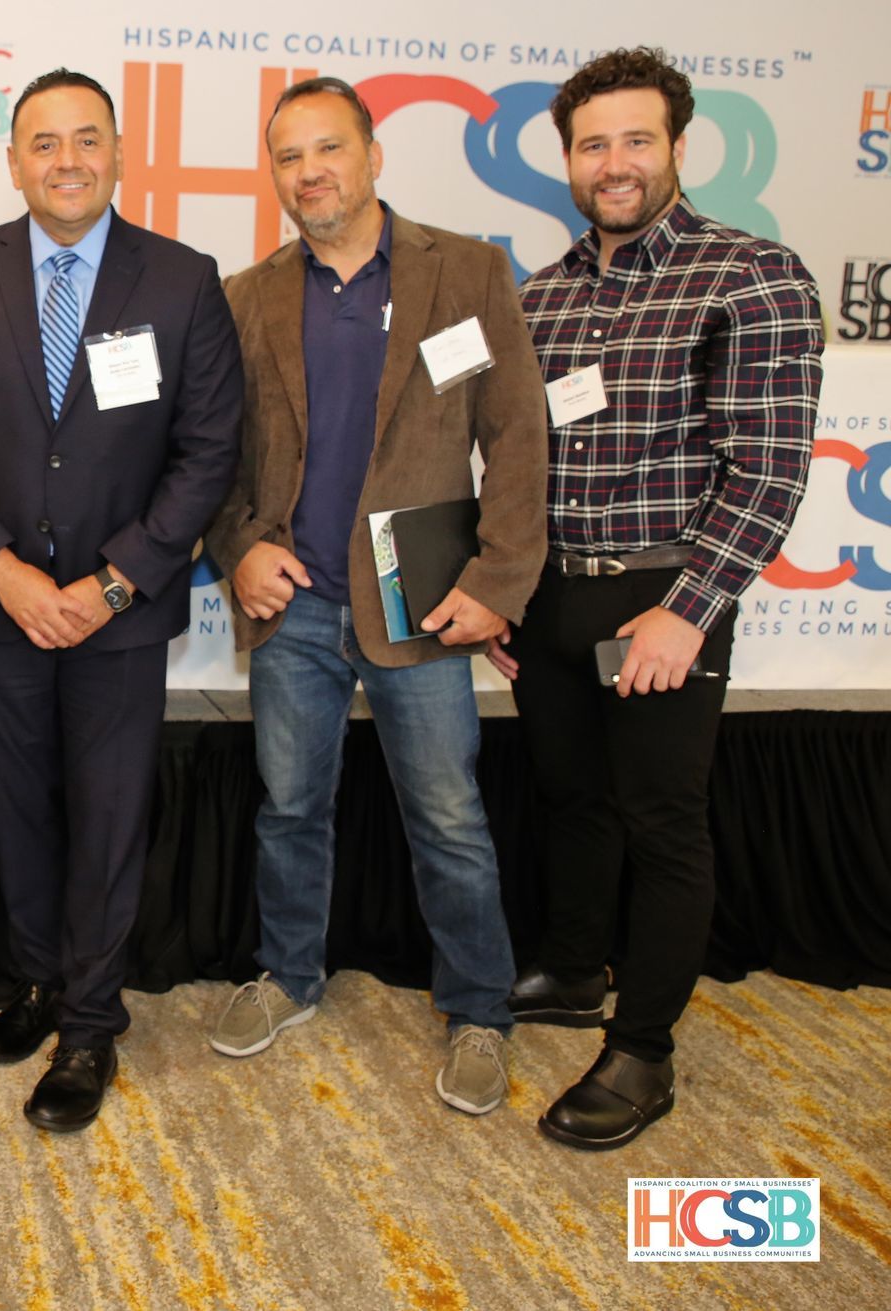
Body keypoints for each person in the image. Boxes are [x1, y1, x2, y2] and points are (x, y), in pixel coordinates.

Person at [0, 69, 242, 1132]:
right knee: (19, 807)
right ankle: (41, 984)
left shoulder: (182, 280)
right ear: (12, 162)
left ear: (121, 153)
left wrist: (110, 581)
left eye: (87, 139)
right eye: (44, 143)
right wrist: (3, 571)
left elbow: (207, 451)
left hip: (119, 615)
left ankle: (91, 1023)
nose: (67, 160)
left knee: (106, 817)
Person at [498, 47, 822, 1149]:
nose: (616, 163)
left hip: (663, 597)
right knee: (572, 799)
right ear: (568, 160)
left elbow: (769, 466)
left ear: (679, 146)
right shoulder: (537, 298)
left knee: (664, 822)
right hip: (552, 598)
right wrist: (503, 598)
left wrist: (691, 608)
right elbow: (515, 464)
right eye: (595, 144)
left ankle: (644, 1047)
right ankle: (578, 968)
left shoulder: (750, 276)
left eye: (637, 140)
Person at [203, 77, 547, 1116]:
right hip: (295, 601)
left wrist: (498, 583)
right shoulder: (247, 295)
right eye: (289, 158)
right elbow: (214, 457)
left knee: (447, 817)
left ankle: (481, 1011)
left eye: (329, 150)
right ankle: (289, 976)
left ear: (373, 156)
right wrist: (238, 551)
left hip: (422, 599)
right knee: (290, 807)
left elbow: (519, 436)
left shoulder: (470, 271)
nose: (310, 173)